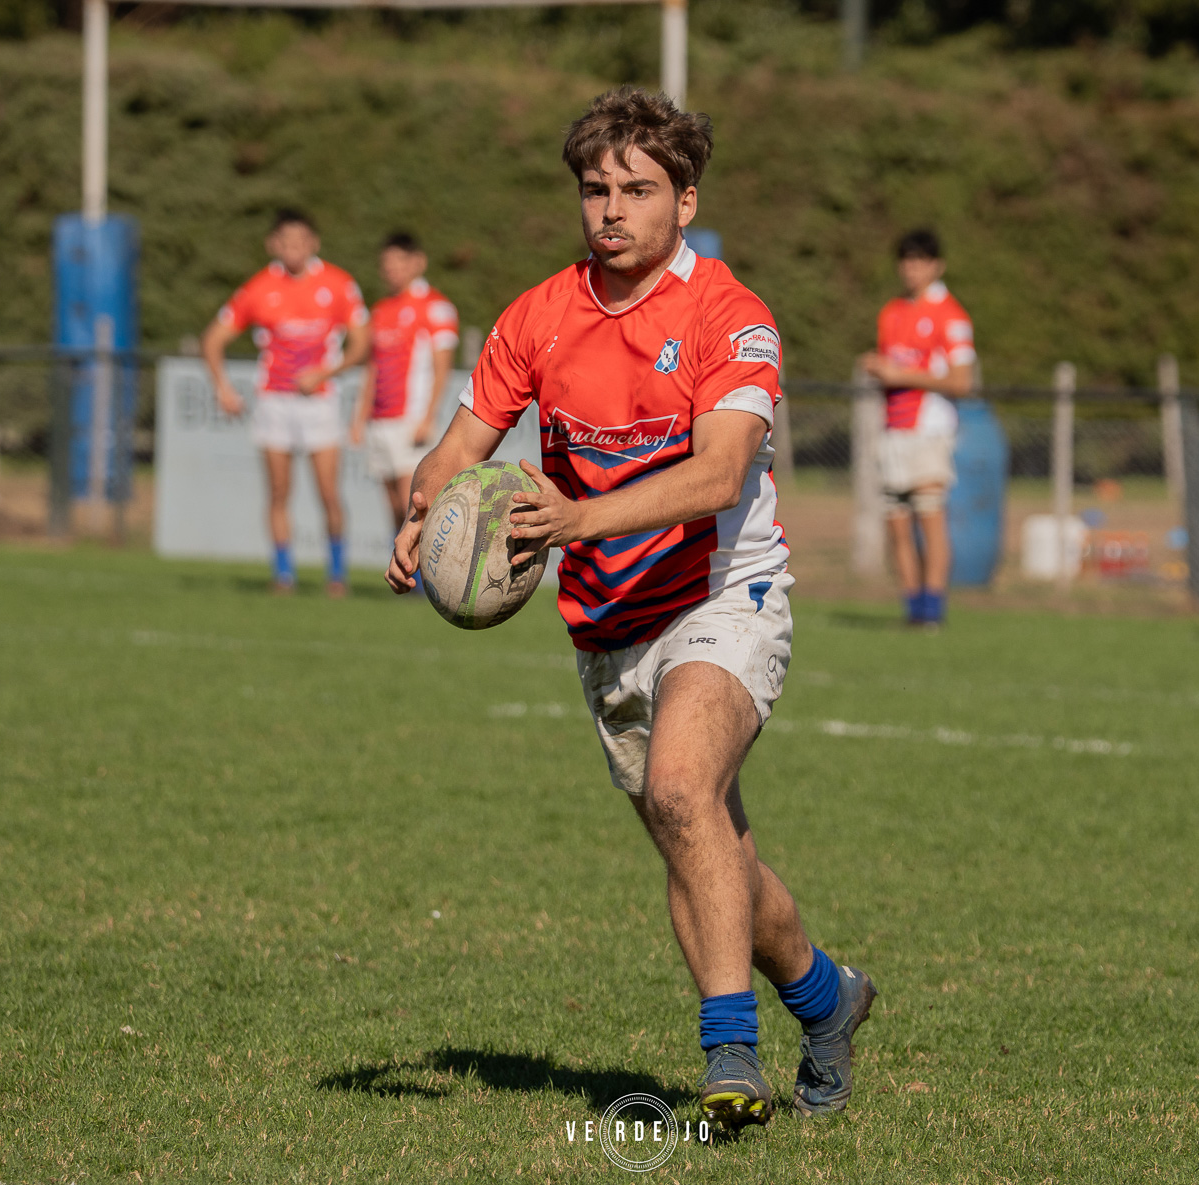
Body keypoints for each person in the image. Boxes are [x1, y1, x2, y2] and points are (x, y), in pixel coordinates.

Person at [385, 88, 875, 1130]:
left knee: (681, 787)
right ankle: (829, 1000)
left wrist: (573, 518)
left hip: (719, 593)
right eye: (596, 190)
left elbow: (716, 474)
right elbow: (458, 450)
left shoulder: (729, 317)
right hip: (607, 627)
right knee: (712, 850)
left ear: (685, 201)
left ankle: (730, 1057)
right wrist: (425, 516)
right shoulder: (539, 315)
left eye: (638, 190)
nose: (612, 210)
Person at [202, 208, 371, 595]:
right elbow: (213, 339)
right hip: (275, 403)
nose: (293, 248)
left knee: (328, 492)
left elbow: (361, 345)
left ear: (314, 242)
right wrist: (223, 388)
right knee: (278, 492)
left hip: (320, 403)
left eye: (301, 240)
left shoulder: (338, 283)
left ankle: (337, 573)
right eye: (285, 241)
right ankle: (283, 574)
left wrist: (324, 374)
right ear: (273, 244)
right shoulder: (258, 288)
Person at [859, 229, 976, 627]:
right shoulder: (891, 312)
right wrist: (879, 368)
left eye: (920, 260)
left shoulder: (952, 316)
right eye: (906, 260)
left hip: (928, 429)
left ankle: (933, 611)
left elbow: (963, 382)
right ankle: (912, 611)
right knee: (896, 525)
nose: (912, 268)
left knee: (930, 519)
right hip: (893, 428)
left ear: (937, 265)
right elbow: (894, 368)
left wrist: (902, 373)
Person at [350, 232, 460, 526]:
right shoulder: (381, 310)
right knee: (393, 510)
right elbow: (373, 368)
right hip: (380, 421)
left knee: (412, 505)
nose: (391, 269)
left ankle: (418, 573)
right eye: (386, 263)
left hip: (410, 419)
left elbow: (443, 368)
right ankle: (402, 571)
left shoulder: (436, 306)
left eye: (399, 261)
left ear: (418, 262)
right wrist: (360, 417)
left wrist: (428, 417)